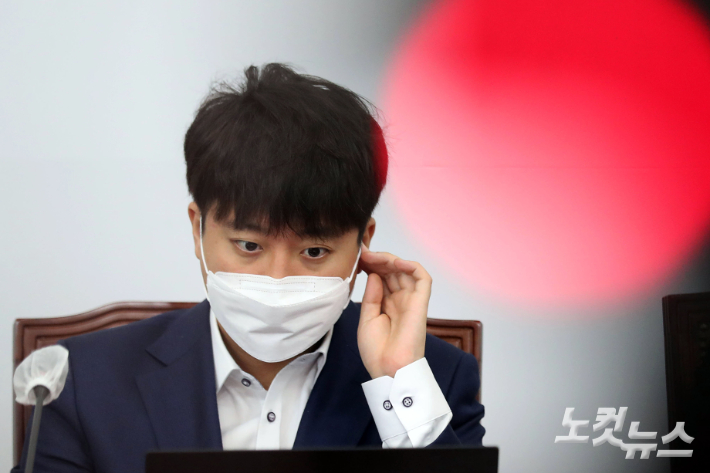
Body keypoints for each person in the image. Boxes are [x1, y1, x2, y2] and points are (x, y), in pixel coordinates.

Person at [13, 63, 485, 473]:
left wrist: (399, 382)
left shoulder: (432, 381)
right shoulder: (82, 381)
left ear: (364, 242)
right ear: (198, 228)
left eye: (314, 252)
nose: (276, 278)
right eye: (248, 245)